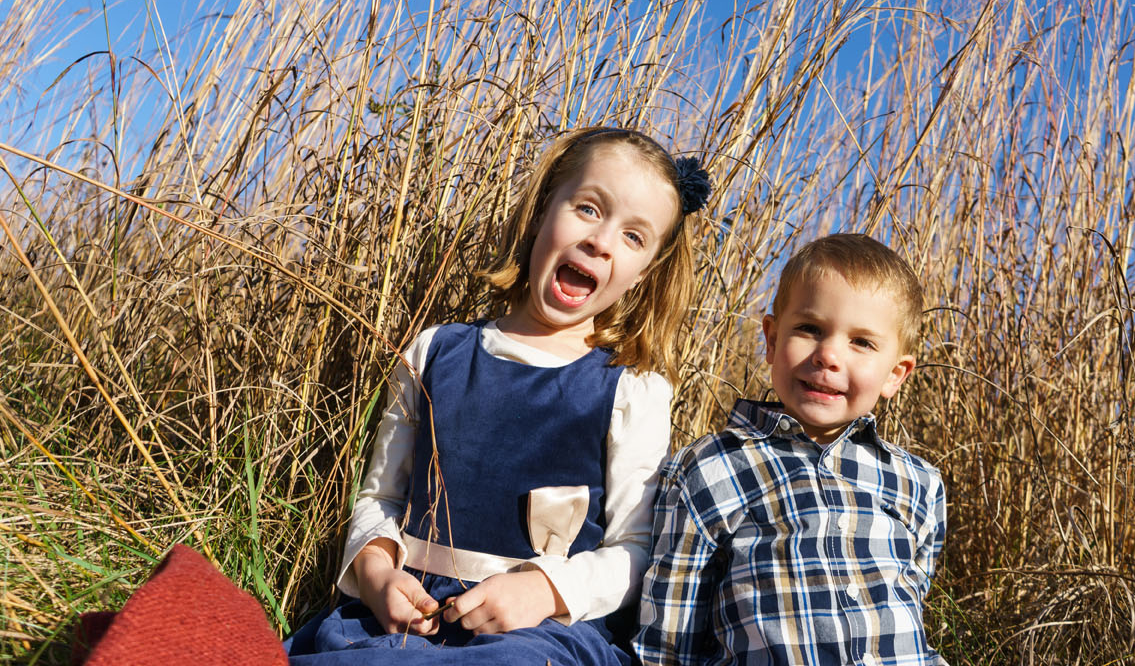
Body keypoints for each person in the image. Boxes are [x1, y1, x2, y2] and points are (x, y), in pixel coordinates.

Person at [286, 127, 711, 665]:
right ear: (541, 210)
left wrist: (543, 591)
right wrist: (374, 573)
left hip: (540, 637)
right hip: (404, 622)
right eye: (587, 208)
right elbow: (382, 497)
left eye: (633, 236)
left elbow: (633, 550)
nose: (601, 241)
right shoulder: (434, 352)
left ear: (643, 273)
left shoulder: (632, 388)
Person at [633, 233, 947, 666]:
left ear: (895, 374)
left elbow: (911, 595)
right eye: (809, 329)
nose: (829, 356)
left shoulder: (918, 482)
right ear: (771, 338)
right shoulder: (712, 468)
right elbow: (669, 636)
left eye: (862, 342)